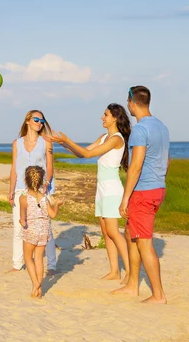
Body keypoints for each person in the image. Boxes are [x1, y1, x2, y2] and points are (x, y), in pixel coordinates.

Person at [45, 104, 131, 283]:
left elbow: (88, 153)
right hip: (101, 190)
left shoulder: (116, 139)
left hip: (112, 190)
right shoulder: (104, 137)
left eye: (105, 115)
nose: (102, 117)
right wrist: (63, 143)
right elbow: (82, 155)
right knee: (106, 232)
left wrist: (67, 140)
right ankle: (115, 271)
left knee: (114, 232)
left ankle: (130, 271)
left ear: (115, 117)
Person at [112, 86, 170, 304]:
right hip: (157, 189)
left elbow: (135, 166)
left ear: (131, 103)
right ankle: (132, 284)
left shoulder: (140, 129)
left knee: (144, 242)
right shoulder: (162, 127)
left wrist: (126, 197)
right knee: (130, 234)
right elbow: (167, 161)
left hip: (144, 191)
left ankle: (158, 295)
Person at [8, 110, 58, 275]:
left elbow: (49, 166)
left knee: (46, 227)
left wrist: (46, 184)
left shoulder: (46, 142)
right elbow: (14, 168)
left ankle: (51, 266)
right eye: (36, 119)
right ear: (28, 121)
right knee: (19, 226)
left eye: (42, 121)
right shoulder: (17, 143)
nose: (39, 123)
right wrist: (11, 190)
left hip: (42, 189)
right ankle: (17, 264)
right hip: (21, 189)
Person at [19, 166, 62, 298]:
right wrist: (57, 205)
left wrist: (23, 222)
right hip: (44, 229)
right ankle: (40, 289)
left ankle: (36, 284)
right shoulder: (44, 197)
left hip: (31, 229)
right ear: (41, 181)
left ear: (25, 181)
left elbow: (22, 218)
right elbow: (53, 215)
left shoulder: (23, 198)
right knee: (39, 258)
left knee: (28, 258)